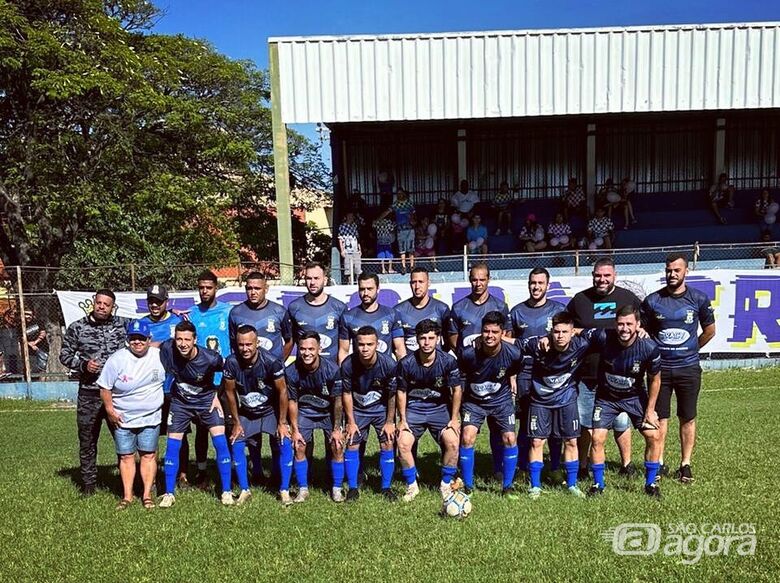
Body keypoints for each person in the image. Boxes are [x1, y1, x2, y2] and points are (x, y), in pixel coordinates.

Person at [642, 253, 716, 484]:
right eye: (668, 270)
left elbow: (710, 331)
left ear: (686, 272)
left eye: (676, 270)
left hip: (688, 369)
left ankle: (685, 464)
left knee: (687, 417)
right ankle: (660, 462)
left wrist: (692, 349)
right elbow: (643, 332)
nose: (672, 274)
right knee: (660, 418)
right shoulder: (653, 301)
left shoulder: (699, 299)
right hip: (659, 372)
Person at [566, 257, 641, 480]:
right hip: (587, 374)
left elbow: (640, 324)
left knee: (621, 422)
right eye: (598, 275)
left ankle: (626, 465)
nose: (602, 279)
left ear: (614, 276)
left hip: (617, 375)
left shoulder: (627, 298)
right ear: (592, 276)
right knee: (586, 423)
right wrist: (583, 332)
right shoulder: (580, 300)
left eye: (606, 275)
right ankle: (582, 465)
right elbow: (567, 328)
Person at [517, 312, 599, 498]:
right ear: (550, 332)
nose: (560, 336)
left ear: (572, 332)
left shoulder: (582, 345)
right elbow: (514, 343)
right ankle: (535, 486)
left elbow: (607, 335)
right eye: (556, 332)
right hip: (540, 400)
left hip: (566, 399)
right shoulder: (537, 346)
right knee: (537, 441)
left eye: (564, 331)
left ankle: (571, 484)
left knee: (570, 441)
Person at [60, 289, 130, 495]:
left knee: (123, 438)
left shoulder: (122, 324)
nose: (101, 307)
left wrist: (174, 313)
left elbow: (148, 324)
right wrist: (82, 365)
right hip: (89, 394)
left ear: (112, 307)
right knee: (88, 439)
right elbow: (64, 355)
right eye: (99, 303)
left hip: (116, 394)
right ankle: (89, 484)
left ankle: (126, 482)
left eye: (106, 304)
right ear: (94, 302)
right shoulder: (78, 327)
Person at [587, 306, 663, 497]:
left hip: (634, 397)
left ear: (638, 325)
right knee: (597, 438)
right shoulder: (603, 337)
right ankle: (598, 485)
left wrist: (650, 410)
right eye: (620, 324)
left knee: (654, 435)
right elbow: (577, 333)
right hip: (606, 399)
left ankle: (651, 484)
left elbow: (655, 379)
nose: (624, 328)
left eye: (629, 324)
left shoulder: (649, 347)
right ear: (615, 324)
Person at [158, 320, 233, 507]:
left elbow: (229, 370)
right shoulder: (168, 348)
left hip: (206, 401)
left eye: (187, 339)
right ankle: (168, 493)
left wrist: (218, 393)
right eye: (179, 339)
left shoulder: (210, 357)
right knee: (172, 445)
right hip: (180, 403)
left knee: (220, 441)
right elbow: (154, 346)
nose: (182, 344)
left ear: (195, 340)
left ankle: (226, 491)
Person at [448, 262, 510, 479]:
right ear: (469, 279)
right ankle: (464, 474)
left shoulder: (500, 306)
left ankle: (499, 468)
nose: (478, 283)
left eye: (482, 279)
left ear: (488, 280)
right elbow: (455, 341)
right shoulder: (458, 308)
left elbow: (508, 338)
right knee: (468, 428)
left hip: (495, 372)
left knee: (497, 425)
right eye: (474, 279)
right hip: (469, 375)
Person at [98, 319, 165, 510]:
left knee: (148, 455)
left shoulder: (159, 356)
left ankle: (146, 495)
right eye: (133, 338)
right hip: (123, 418)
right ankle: (127, 496)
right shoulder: (117, 359)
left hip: (150, 417)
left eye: (141, 338)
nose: (137, 342)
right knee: (126, 456)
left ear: (148, 339)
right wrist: (110, 411)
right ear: (128, 340)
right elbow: (105, 387)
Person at [222, 324, 292, 505]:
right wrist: (236, 422)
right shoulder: (231, 362)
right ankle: (245, 489)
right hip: (247, 413)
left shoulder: (271, 361)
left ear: (257, 343)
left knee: (285, 440)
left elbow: (283, 391)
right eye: (241, 345)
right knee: (236, 441)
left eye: (249, 344)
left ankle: (284, 489)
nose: (245, 349)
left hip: (270, 411)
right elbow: (230, 393)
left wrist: (282, 422)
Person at [396, 320, 463, 502]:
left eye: (431, 338)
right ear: (416, 340)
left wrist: (454, 418)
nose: (427, 343)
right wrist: (402, 420)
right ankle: (412, 486)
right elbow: (401, 392)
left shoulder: (448, 361)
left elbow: (457, 390)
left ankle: (445, 484)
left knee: (453, 441)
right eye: (423, 338)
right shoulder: (406, 363)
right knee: (403, 442)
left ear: (438, 339)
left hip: (439, 410)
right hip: (414, 409)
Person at [508, 268, 566, 475]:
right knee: (525, 420)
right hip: (525, 373)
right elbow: (509, 345)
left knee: (555, 419)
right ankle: (523, 466)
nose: (536, 286)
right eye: (533, 282)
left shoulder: (559, 310)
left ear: (548, 286)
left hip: (552, 373)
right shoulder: (516, 311)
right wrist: (512, 374)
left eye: (541, 283)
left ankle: (555, 466)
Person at [458, 311, 524, 495]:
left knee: (510, 438)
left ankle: (507, 486)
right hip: (474, 401)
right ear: (481, 332)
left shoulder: (513, 354)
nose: (490, 336)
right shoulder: (468, 354)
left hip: (501, 399)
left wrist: (511, 378)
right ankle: (468, 487)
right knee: (467, 436)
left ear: (502, 333)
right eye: (486, 331)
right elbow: (461, 378)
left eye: (495, 332)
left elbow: (515, 369)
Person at [184, 270, 233, 489]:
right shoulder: (192, 314)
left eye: (208, 287)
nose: (204, 291)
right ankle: (202, 472)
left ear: (216, 287)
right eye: (201, 287)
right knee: (202, 428)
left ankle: (230, 470)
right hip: (200, 380)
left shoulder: (228, 312)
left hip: (224, 380)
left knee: (229, 426)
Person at [286, 332, 346, 502]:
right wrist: (295, 430)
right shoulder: (291, 372)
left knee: (337, 445)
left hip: (327, 412)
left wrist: (336, 429)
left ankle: (337, 488)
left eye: (311, 349)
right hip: (305, 412)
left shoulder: (332, 370)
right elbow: (293, 402)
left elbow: (338, 402)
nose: (307, 353)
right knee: (299, 446)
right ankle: (303, 488)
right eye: (303, 349)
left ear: (320, 348)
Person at [341, 326, 398, 501]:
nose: (365, 348)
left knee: (388, 443)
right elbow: (346, 394)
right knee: (351, 443)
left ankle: (386, 487)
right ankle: (352, 488)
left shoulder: (388, 364)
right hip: (358, 409)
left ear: (377, 345)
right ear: (355, 345)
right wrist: (350, 422)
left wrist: (389, 421)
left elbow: (392, 395)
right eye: (361, 344)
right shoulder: (348, 364)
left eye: (369, 344)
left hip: (380, 409)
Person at [287, 262, 347, 365]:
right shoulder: (294, 307)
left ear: (325, 280)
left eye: (316, 278)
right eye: (309, 278)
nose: (312, 282)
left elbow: (343, 349)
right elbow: (290, 342)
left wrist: (341, 373)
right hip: (303, 372)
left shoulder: (339, 307)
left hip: (331, 371)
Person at [338, 273, 405, 363]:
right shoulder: (348, 317)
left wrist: (403, 374)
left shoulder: (392, 314)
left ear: (378, 289)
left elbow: (399, 349)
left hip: (385, 373)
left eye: (369, 289)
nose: (365, 293)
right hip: (359, 373)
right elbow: (343, 351)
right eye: (362, 289)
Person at [229, 271, 292, 361]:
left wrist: (279, 363)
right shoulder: (236, 313)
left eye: (257, 288)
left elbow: (289, 341)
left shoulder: (280, 312)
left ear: (266, 289)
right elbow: (233, 343)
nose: (253, 292)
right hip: (247, 370)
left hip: (272, 372)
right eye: (249, 288)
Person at [395, 267, 451, 353]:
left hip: (435, 363)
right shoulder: (398, 310)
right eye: (414, 282)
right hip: (410, 364)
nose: (417, 286)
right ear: (410, 284)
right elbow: (397, 345)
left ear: (428, 283)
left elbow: (448, 342)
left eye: (421, 282)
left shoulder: (442, 309)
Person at [338, 211, 362, 283]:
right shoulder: (342, 226)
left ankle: (358, 283)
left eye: (352, 216)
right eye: (350, 216)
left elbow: (357, 238)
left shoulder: (355, 226)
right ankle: (350, 283)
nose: (351, 218)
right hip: (347, 251)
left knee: (358, 268)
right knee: (348, 269)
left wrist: (359, 249)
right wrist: (342, 250)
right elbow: (340, 239)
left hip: (355, 250)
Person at [23, 307, 49, 375]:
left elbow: (43, 333)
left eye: (29, 314)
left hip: (42, 347)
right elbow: (21, 337)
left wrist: (35, 342)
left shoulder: (38, 322)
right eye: (26, 314)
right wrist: (30, 344)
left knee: (42, 368)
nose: (27, 316)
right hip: (30, 350)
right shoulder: (22, 325)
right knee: (32, 369)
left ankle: (42, 382)